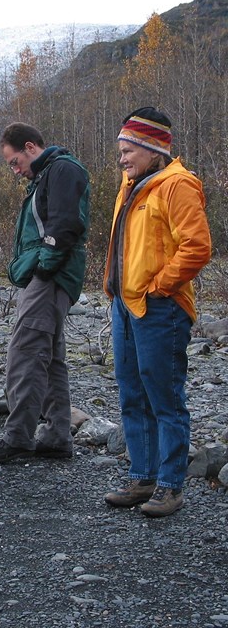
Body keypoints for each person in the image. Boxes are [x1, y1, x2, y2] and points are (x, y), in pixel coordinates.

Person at [103, 107, 211, 517]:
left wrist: (161, 285)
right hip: (127, 306)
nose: (122, 157)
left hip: (160, 307)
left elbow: (197, 247)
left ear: (153, 149)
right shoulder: (132, 185)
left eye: (129, 149)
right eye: (121, 150)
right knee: (132, 393)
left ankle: (170, 486)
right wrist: (114, 289)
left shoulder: (177, 185)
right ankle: (142, 476)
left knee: (164, 397)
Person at [0, 123, 90, 464]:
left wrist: (43, 267)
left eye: (14, 162)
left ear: (30, 147)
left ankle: (18, 437)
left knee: (24, 353)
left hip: (52, 278)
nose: (15, 170)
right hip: (52, 277)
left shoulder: (62, 170)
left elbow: (65, 225)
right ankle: (57, 436)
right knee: (50, 357)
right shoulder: (48, 175)